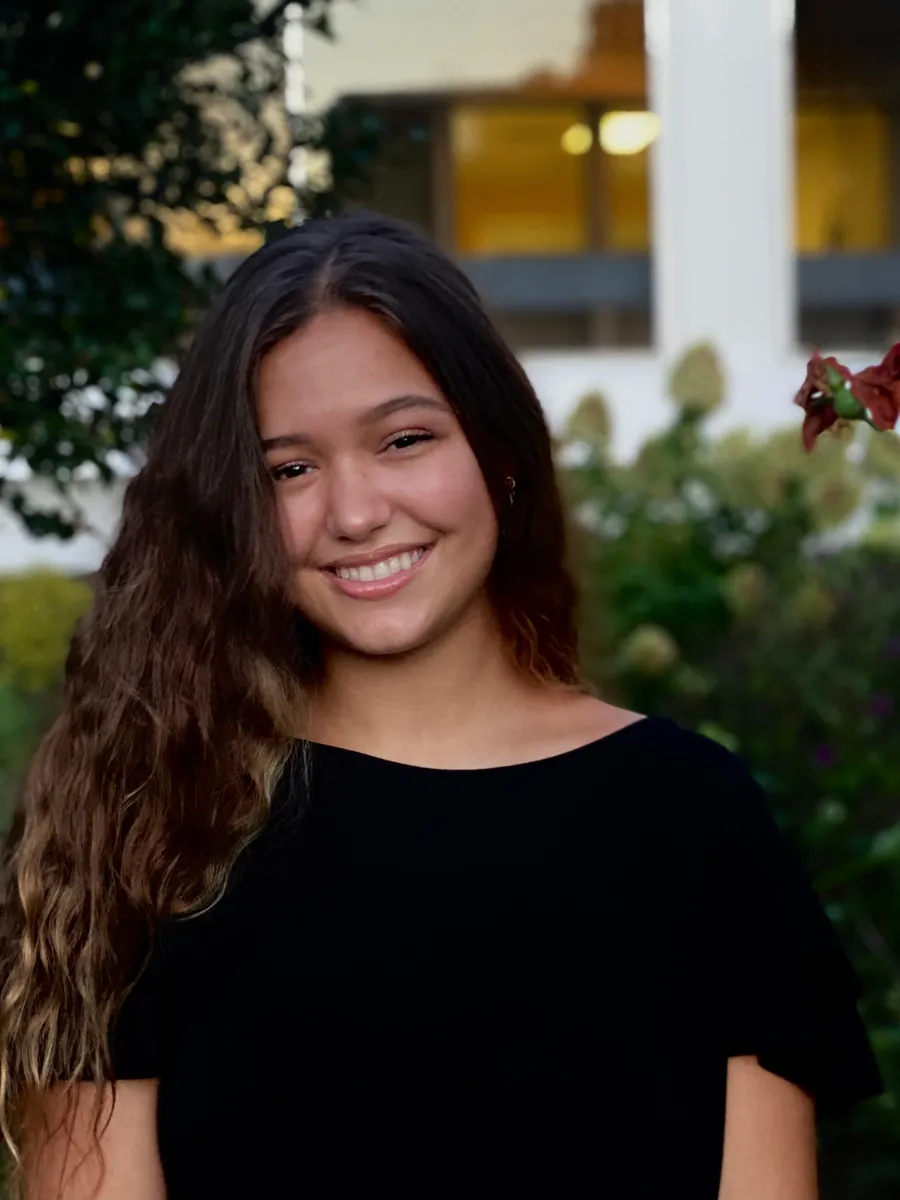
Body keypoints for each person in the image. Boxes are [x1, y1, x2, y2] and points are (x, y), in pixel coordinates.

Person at [0, 212, 882, 1200]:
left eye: (404, 438)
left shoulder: (697, 821)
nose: (356, 511)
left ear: (500, 453)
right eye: (289, 468)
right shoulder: (145, 830)